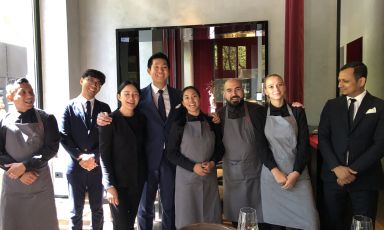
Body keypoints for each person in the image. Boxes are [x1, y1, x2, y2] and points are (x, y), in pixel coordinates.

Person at [97, 52, 182, 230]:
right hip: (146, 161)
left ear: (169, 71)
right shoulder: (139, 95)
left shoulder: (178, 96)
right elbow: (124, 113)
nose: (160, 71)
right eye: (156, 67)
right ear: (149, 70)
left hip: (171, 160)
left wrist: (212, 119)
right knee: (145, 208)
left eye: (164, 67)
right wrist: (102, 117)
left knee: (169, 206)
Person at [318, 62, 384, 229]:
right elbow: (323, 138)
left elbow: (380, 144)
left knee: (363, 224)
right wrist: (336, 167)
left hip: (365, 179)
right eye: (339, 80)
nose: (339, 85)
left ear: (361, 81)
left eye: (345, 81)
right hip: (333, 179)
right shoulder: (331, 105)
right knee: (332, 223)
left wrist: (352, 170)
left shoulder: (379, 106)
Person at [260, 74, 319, 229]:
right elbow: (261, 147)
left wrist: (296, 173)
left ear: (285, 87)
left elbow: (303, 145)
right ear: (265, 91)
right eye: (271, 86)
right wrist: (275, 171)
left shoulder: (297, 111)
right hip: (273, 175)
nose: (276, 89)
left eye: (279, 84)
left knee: (310, 223)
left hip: (298, 173)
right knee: (276, 224)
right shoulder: (260, 114)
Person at [0, 78, 60, 230]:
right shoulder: (2, 121)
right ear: (10, 97)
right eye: (23, 92)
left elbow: (51, 148)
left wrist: (25, 166)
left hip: (40, 183)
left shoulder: (47, 118)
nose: (30, 96)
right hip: (13, 185)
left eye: (31, 92)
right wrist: (19, 173)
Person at [60, 69, 111, 230]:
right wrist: (81, 157)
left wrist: (94, 157)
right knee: (76, 211)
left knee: (97, 210)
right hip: (75, 166)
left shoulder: (104, 107)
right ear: (82, 80)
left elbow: (107, 137)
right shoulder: (68, 106)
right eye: (91, 80)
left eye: (98, 83)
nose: (94, 85)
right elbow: (64, 136)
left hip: (96, 167)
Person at [166, 86, 224, 229]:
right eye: (187, 97)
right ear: (183, 102)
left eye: (194, 96)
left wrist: (212, 162)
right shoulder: (178, 124)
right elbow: (171, 153)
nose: (191, 100)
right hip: (186, 179)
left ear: (200, 99)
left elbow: (220, 148)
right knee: (188, 217)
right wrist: (193, 167)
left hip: (209, 177)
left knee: (210, 216)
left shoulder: (211, 121)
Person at [215, 78, 268, 228]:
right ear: (224, 94)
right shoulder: (219, 115)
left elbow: (277, 111)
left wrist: (294, 108)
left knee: (260, 217)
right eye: (229, 90)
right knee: (237, 219)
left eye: (237, 89)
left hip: (256, 172)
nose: (234, 94)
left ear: (243, 91)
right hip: (233, 175)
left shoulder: (257, 110)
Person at [99, 81, 147, 230]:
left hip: (137, 180)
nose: (131, 98)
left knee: (130, 221)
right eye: (127, 94)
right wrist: (109, 186)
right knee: (121, 225)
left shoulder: (142, 119)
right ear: (119, 96)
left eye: (135, 94)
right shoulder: (109, 120)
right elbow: (104, 155)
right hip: (117, 183)